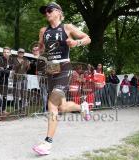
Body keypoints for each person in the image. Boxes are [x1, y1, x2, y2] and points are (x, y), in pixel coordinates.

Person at [32, 2, 91, 155]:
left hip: (64, 68)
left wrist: (76, 42)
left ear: (58, 12)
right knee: (62, 107)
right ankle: (82, 107)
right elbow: (42, 47)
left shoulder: (67, 27)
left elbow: (87, 38)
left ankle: (47, 143)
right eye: (45, 11)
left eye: (49, 10)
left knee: (52, 103)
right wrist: (39, 51)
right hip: (51, 70)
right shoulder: (43, 31)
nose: (47, 13)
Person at [0, 47, 13, 116]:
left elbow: (11, 71)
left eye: (7, 52)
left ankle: (4, 110)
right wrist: (4, 70)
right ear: (3, 53)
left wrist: (4, 70)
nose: (6, 53)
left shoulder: (11, 61)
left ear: (10, 53)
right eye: (4, 52)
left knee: (4, 96)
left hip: (5, 81)